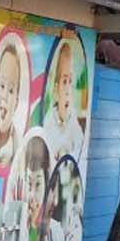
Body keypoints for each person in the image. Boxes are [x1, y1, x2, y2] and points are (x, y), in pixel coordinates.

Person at [40, 35, 85, 164]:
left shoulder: (72, 118)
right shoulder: (49, 121)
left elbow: (80, 144)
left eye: (71, 82)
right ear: (55, 90)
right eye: (65, 81)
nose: (68, 90)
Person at [0, 42, 23, 173]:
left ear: (17, 102)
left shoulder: (19, 148)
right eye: (2, 86)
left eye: (11, 90)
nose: (5, 96)